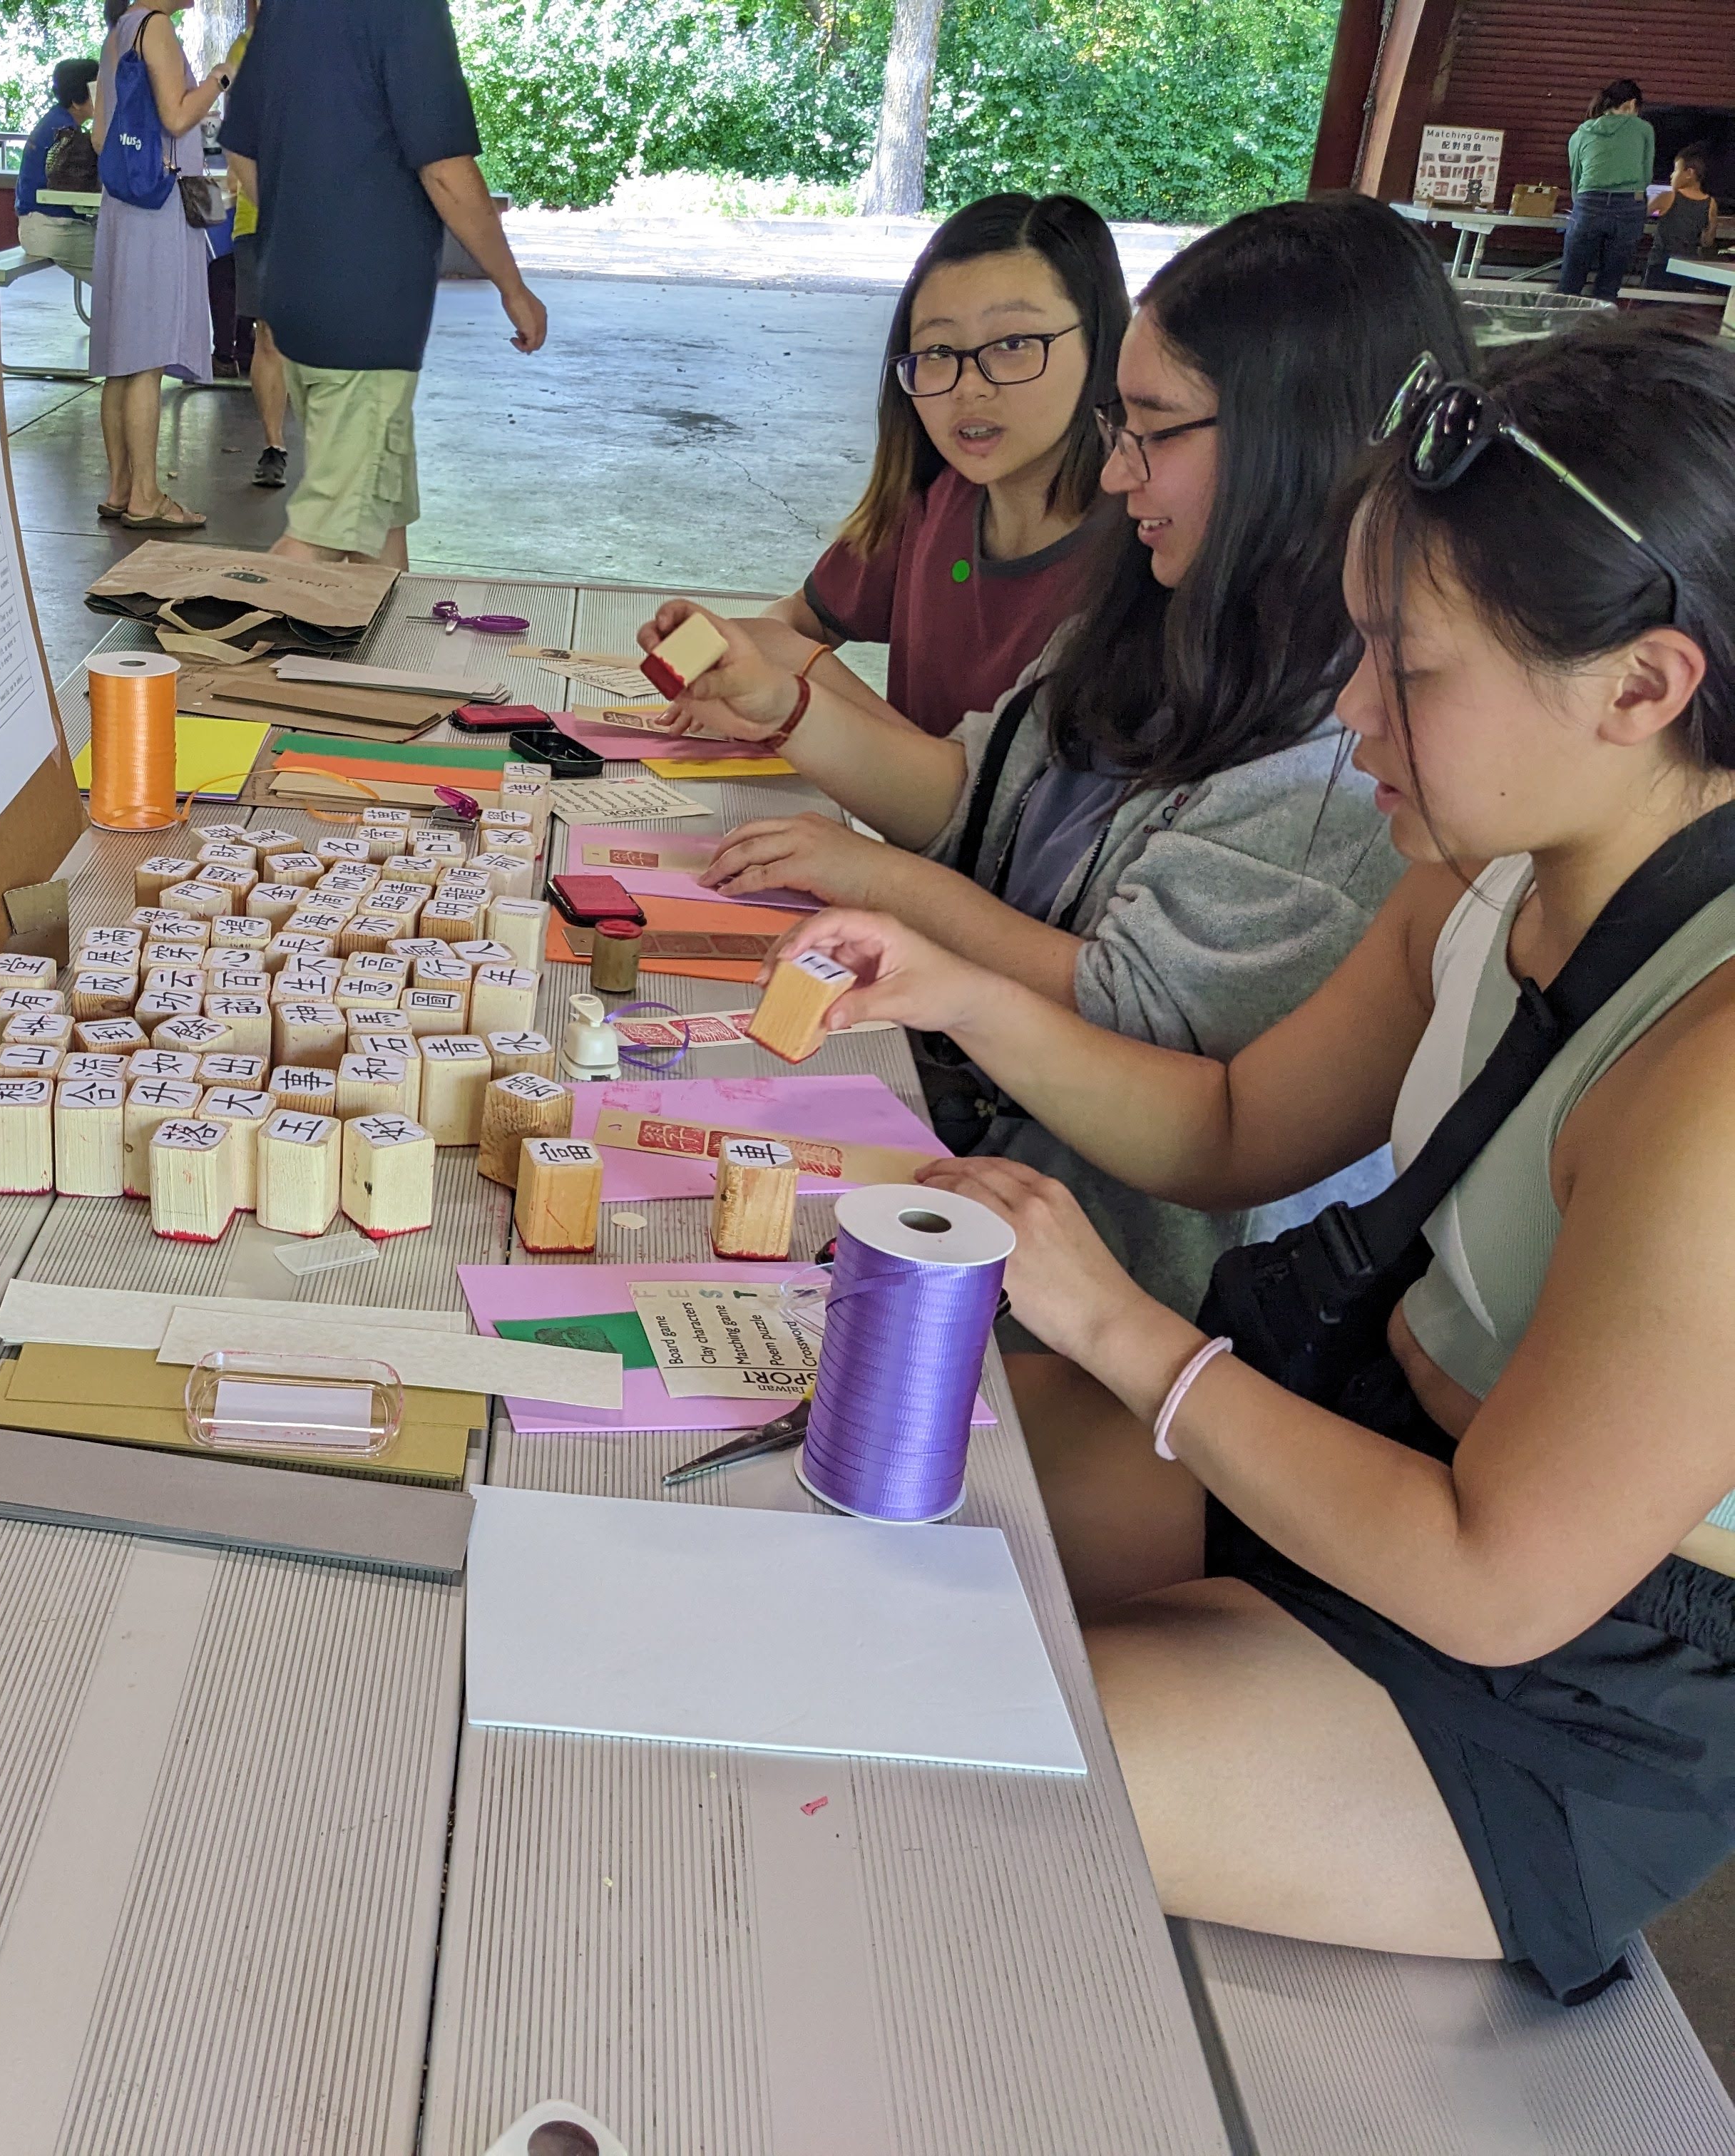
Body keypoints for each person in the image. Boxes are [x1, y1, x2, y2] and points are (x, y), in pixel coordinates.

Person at [774, 318, 1735, 2002]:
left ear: (1643, 687)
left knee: (909, 1760)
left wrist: (1120, 1327)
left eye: (1407, 665)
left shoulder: (1711, 1074)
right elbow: (1229, 1131)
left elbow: (1497, 1580)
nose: (1351, 708)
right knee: (831, 1545)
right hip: (1349, 1432)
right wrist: (958, 992)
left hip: (1572, 1662)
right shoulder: (1481, 882)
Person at [640, 197, 1469, 1314]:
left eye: (1154, 429)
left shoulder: (1345, 745)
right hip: (972, 1165)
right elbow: (975, 795)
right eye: (937, 358)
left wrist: (889, 886)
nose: (1119, 473)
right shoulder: (1154, 600)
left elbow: (1139, 1016)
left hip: (1108, 1277)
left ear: (1297, 436)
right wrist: (786, 706)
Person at [731, 193, 1130, 742]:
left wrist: (788, 681)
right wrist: (744, 668)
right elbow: (804, 616)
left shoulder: (1146, 557)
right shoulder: (933, 498)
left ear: (1102, 345)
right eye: (938, 352)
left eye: (1014, 343)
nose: (969, 387)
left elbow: (991, 788)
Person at [220, 0, 543, 566]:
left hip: (298, 295)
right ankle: (227, 622)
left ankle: (386, 627)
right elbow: (445, 170)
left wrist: (305, 232)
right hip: (367, 315)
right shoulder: (406, 10)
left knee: (380, 517)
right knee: (327, 529)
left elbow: (241, 150)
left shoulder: (285, 10)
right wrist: (512, 286)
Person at [90, 0, 230, 530]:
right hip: (158, 205)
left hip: (122, 202)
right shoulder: (158, 27)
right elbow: (176, 116)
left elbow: (101, 136)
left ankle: (120, 487)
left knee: (121, 360)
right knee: (147, 357)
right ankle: (147, 496)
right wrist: (219, 78)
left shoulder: (119, 32)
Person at [220, 0, 287, 488]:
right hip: (259, 218)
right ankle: (274, 445)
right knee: (269, 335)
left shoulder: (340, 44)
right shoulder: (246, 49)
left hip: (328, 219)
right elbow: (236, 138)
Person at [1559, 78, 1657, 301]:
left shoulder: (1581, 133)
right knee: (1609, 284)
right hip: (1628, 207)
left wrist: (1583, 206)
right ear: (1632, 104)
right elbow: (1646, 175)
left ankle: (1561, 321)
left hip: (1588, 204)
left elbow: (1576, 179)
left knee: (1570, 282)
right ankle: (1602, 323)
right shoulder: (1644, 129)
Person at [16, 57, 98, 282]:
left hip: (43, 224)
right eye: (98, 89)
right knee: (122, 266)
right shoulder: (66, 135)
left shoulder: (57, 121)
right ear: (77, 101)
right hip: (53, 227)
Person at [1647, 145, 1719, 290]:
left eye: (1675, 170)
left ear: (1689, 173)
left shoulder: (1668, 196)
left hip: (1661, 264)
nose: (1671, 176)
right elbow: (1707, 241)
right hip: (1688, 267)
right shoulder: (1711, 203)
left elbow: (1640, 213)